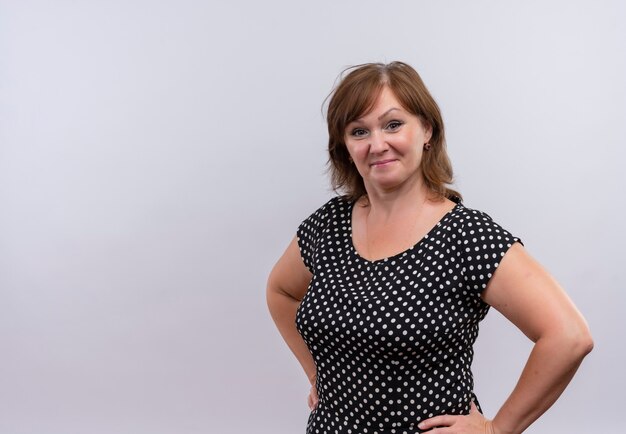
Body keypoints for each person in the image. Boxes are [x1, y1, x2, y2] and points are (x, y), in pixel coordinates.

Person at [266, 61, 593, 434]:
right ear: (345, 147)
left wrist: (495, 429)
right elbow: (280, 291)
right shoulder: (329, 225)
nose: (377, 144)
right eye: (359, 131)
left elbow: (569, 336)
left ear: (426, 130)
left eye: (393, 124)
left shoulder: (466, 237)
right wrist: (316, 373)